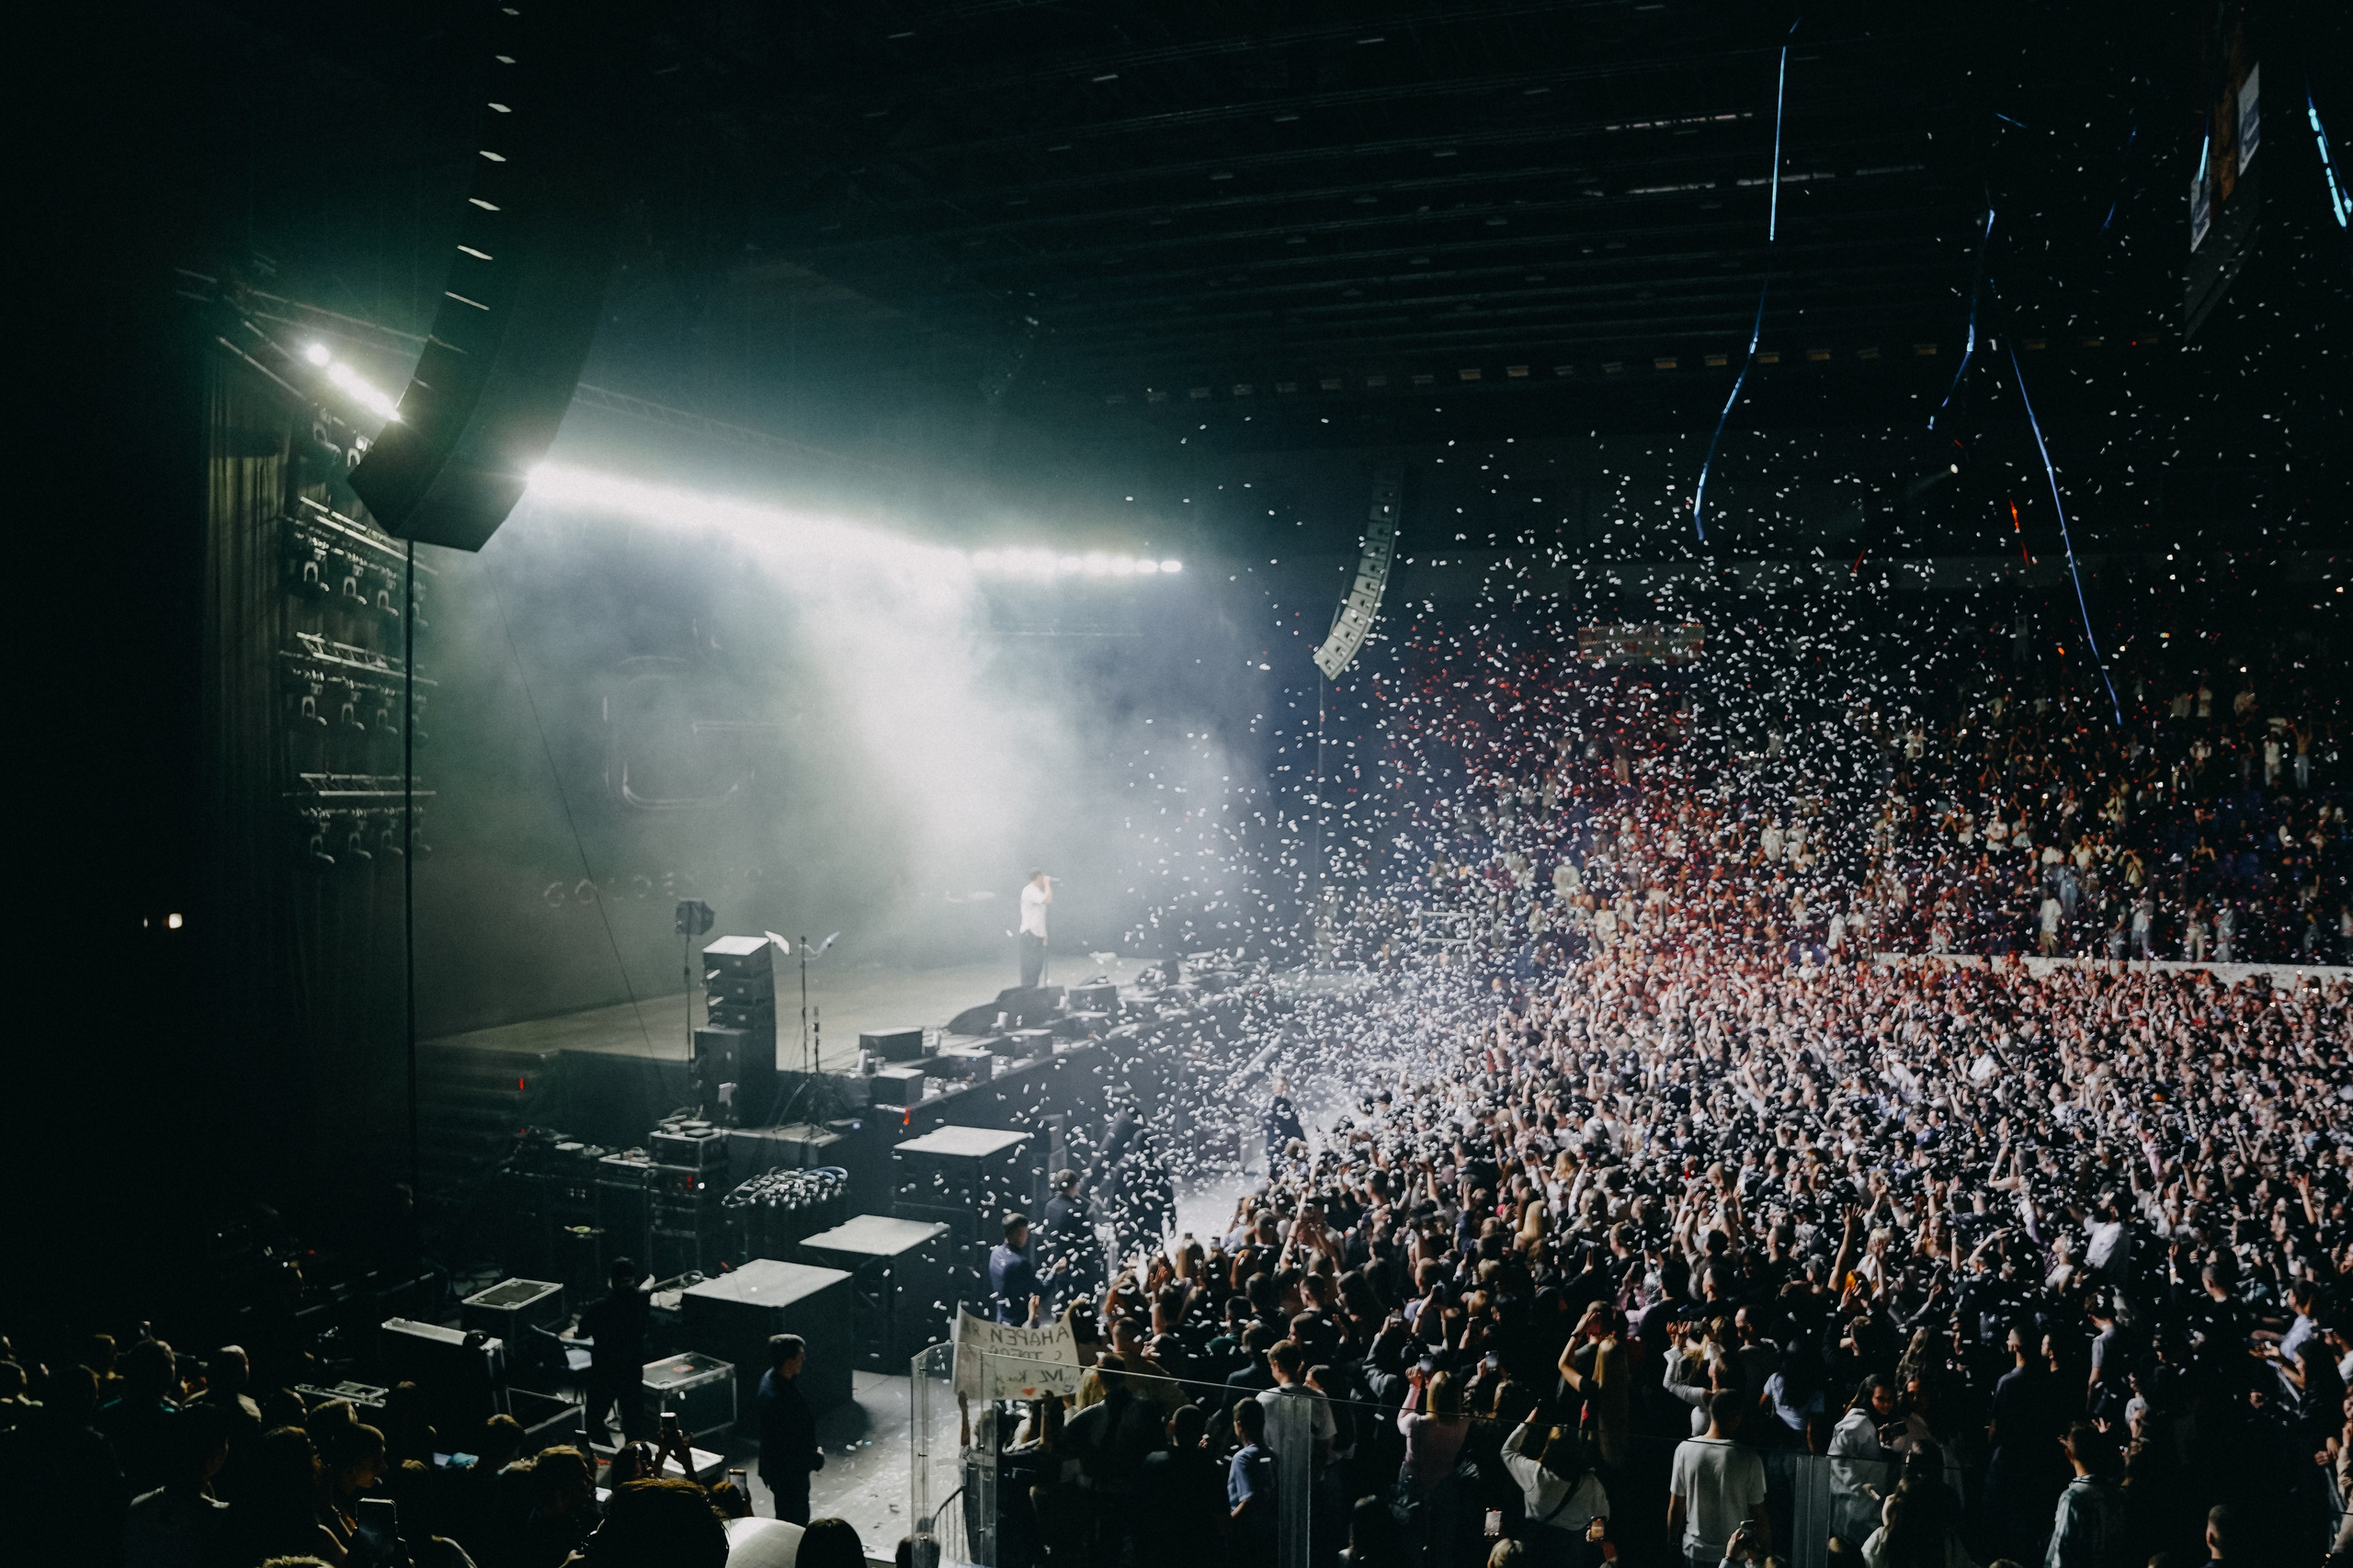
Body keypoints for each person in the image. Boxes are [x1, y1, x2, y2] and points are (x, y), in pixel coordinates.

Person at [1666, 1397, 1768, 1568]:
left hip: (1695, 1550)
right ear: (1736, 1418)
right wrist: (1766, 1554)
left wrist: (1671, 1543)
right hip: (1736, 1552)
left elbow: (1676, 1506)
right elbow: (1758, 1514)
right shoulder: (1748, 1458)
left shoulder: (1684, 1449)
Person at [577, 1258, 654, 1444]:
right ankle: (635, 1465)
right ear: (633, 1278)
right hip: (632, 1370)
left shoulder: (599, 1307)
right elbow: (644, 1291)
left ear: (610, 1279)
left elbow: (581, 1333)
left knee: (594, 1421)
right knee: (634, 1425)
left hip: (605, 1372)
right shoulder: (642, 1301)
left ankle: (611, 1457)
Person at [756, 1335, 822, 1526]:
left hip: (782, 1470)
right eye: (800, 1356)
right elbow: (787, 1446)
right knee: (794, 1520)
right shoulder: (778, 1398)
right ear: (789, 1360)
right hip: (788, 1474)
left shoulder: (773, 1381)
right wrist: (815, 1458)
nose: (804, 1360)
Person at [1227, 1396, 1279, 1568]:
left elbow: (1249, 1500)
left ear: (1239, 1424)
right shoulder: (1271, 1454)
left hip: (1246, 1536)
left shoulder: (1242, 1458)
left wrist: (1227, 1525)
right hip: (1269, 1533)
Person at [988, 1212, 1042, 1325]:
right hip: (1019, 1325)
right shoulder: (1020, 1263)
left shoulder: (995, 1253)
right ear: (1019, 1233)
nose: (1027, 1236)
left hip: (1001, 1319)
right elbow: (1041, 1291)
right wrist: (1054, 1272)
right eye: (1025, 1232)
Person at [1019, 869, 1052, 987]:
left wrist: (1044, 934)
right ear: (1038, 877)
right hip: (1030, 934)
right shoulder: (1029, 890)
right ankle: (1027, 992)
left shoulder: (1036, 891)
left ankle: (1033, 991)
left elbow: (1040, 917)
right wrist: (1048, 884)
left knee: (1037, 966)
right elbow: (1047, 900)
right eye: (1042, 876)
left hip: (1037, 934)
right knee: (1030, 967)